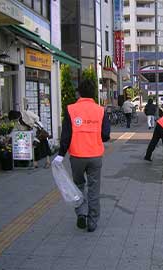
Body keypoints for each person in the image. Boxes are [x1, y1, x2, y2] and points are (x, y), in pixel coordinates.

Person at [53, 79, 110, 232]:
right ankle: (92, 221)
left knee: (78, 186)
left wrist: (60, 155)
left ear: (79, 93)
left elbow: (66, 135)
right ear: (93, 94)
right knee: (94, 188)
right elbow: (105, 135)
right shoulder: (101, 110)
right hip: (95, 155)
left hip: (77, 156)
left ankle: (81, 213)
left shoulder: (71, 109)